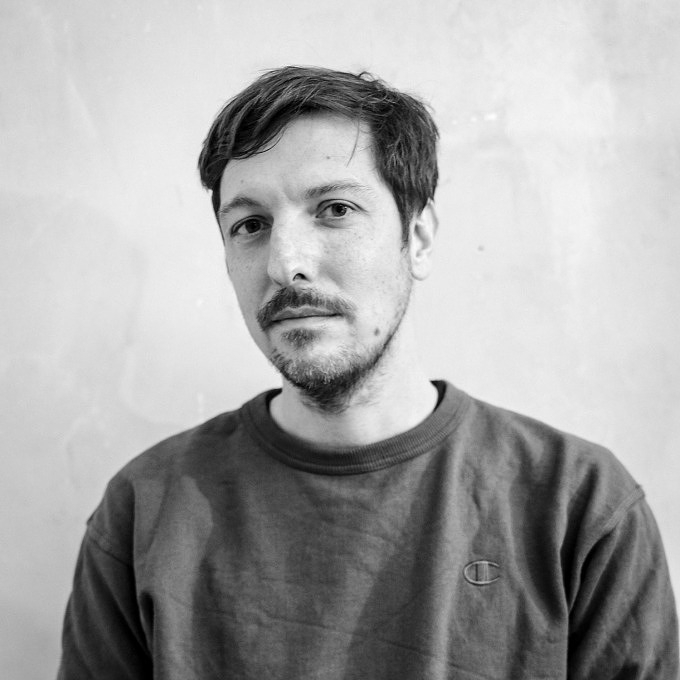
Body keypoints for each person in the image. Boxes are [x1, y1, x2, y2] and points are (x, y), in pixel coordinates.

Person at [57, 66, 678, 679]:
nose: (285, 264)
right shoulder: (145, 511)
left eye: (334, 209)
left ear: (418, 238)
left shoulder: (578, 506)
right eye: (250, 225)